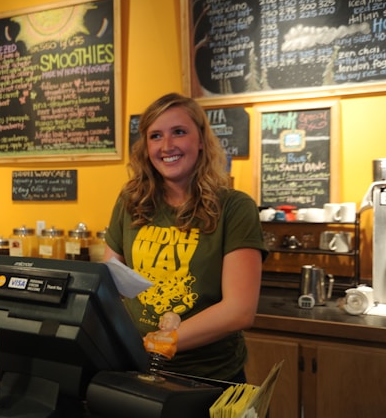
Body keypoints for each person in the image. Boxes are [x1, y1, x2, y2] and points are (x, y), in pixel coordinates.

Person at [104, 92, 268, 384]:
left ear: (201, 140)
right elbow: (109, 283)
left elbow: (239, 311)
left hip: (207, 378)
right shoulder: (131, 201)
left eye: (178, 132)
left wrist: (161, 341)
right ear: (146, 147)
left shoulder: (234, 207)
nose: (167, 146)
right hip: (136, 369)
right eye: (155, 136)